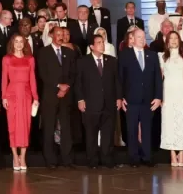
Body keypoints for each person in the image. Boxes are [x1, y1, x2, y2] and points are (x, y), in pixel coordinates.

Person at [76, 34, 121, 169]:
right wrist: (80, 99)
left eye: (103, 42)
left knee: (108, 133)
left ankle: (107, 159)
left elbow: (117, 81)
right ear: (91, 46)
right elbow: (78, 83)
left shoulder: (112, 61)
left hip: (109, 103)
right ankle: (92, 160)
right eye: (99, 42)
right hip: (90, 104)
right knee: (91, 134)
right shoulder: (83, 62)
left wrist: (118, 97)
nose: (102, 45)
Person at [118, 29, 162, 167]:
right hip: (131, 100)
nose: (142, 39)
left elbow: (158, 78)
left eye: (143, 37)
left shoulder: (152, 55)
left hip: (148, 100)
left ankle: (147, 157)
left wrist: (158, 97)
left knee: (147, 129)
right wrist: (120, 97)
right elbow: (119, 78)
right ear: (132, 38)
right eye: (139, 37)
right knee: (131, 130)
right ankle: (134, 158)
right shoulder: (124, 55)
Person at [36, 25, 75, 169]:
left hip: (66, 96)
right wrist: (58, 86)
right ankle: (50, 159)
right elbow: (43, 74)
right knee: (49, 127)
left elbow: (73, 73)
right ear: (51, 35)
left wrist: (66, 87)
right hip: (50, 96)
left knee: (66, 127)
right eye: (58, 34)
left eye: (63, 34)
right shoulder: (43, 52)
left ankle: (67, 159)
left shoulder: (69, 52)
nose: (61, 36)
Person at [1, 35, 39, 171]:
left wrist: (36, 97)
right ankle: (15, 157)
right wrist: (4, 97)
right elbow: (4, 79)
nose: (18, 44)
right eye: (16, 41)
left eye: (21, 42)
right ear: (12, 43)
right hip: (11, 94)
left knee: (25, 126)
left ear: (24, 44)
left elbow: (33, 79)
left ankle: (23, 156)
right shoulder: (6, 59)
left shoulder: (30, 59)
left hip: (26, 94)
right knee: (12, 126)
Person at [159, 31, 183, 166]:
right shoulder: (162, 56)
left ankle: (182, 154)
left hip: (182, 90)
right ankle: (173, 155)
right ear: (167, 41)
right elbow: (160, 77)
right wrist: (159, 96)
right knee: (169, 122)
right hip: (168, 92)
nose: (174, 40)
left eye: (176, 38)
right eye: (171, 38)